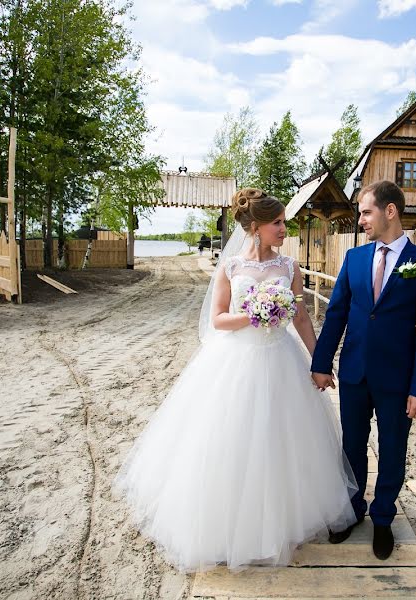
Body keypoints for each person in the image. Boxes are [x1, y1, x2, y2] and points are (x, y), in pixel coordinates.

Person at [114, 188, 357, 573]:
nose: (284, 228)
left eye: (283, 222)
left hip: (282, 361)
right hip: (235, 362)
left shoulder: (290, 268)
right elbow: (219, 320)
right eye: (277, 223)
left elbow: (301, 318)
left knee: (283, 441)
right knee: (230, 441)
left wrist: (319, 361)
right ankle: (226, 526)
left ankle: (281, 519)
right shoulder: (230, 269)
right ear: (257, 228)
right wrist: (255, 316)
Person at [311, 180, 416, 560]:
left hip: (398, 379)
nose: (361, 220)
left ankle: (383, 518)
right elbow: (336, 314)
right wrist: (321, 363)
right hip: (353, 372)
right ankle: (352, 511)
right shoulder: (354, 259)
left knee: (392, 450)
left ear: (390, 211)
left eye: (366, 212)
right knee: (351, 446)